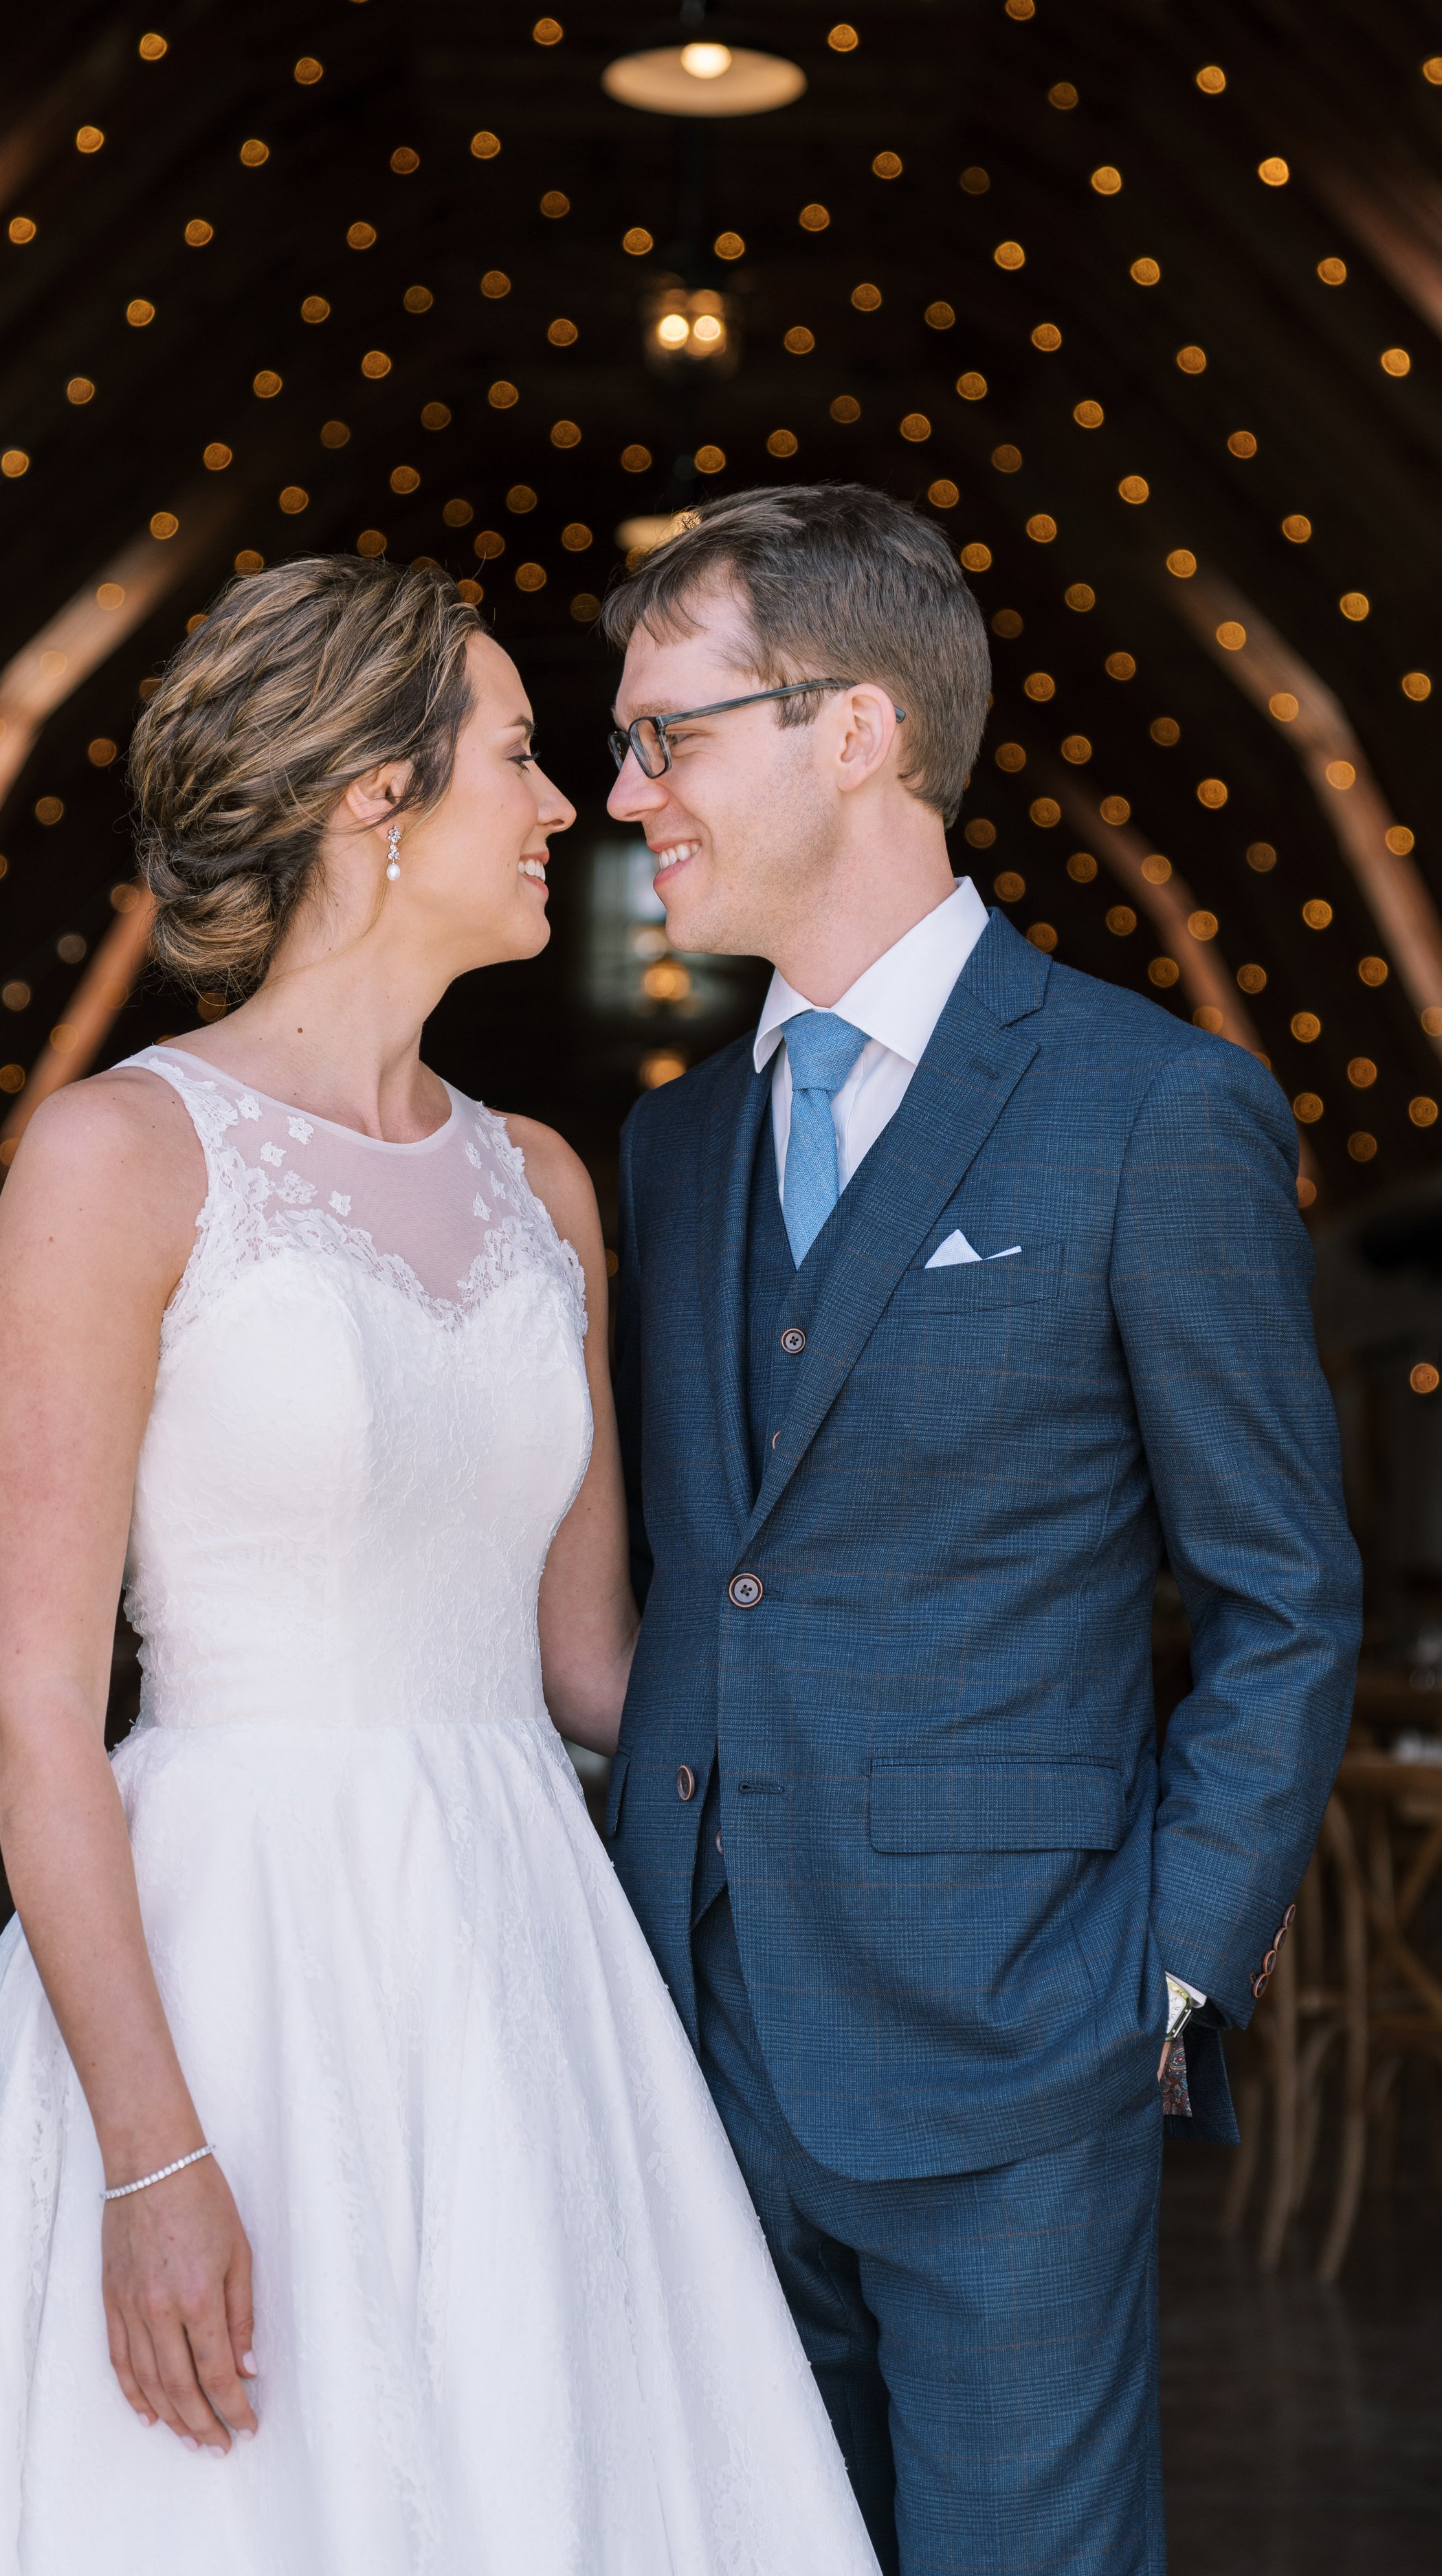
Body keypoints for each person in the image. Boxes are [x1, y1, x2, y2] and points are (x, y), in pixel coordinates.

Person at [0, 557, 878, 2575]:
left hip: (526, 1960)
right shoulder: (119, 1157)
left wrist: (922, 1728)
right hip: (223, 1948)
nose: (569, 806)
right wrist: (153, 2147)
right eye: (524, 757)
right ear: (372, 790)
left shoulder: (543, 1181)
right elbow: (32, 1708)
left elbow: (594, 1664)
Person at [601, 483, 1360, 2576]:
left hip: (1021, 2060)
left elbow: (1284, 1598)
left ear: (849, 729)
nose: (620, 791)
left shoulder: (1147, 1107)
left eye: (668, 734)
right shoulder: (669, 1149)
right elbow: (708, 1586)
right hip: (697, 2049)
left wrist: (1163, 1995)